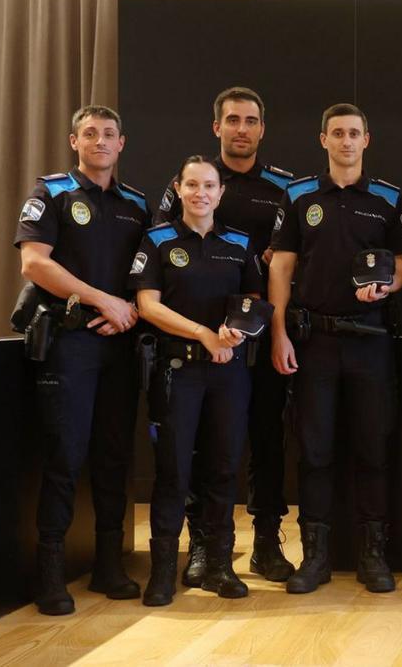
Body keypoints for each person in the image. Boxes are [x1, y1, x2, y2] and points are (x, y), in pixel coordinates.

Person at [154, 86, 296, 588]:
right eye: (232, 120)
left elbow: (286, 261)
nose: (242, 128)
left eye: (251, 121)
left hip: (254, 338)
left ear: (262, 129)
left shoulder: (283, 188)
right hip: (195, 346)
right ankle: (204, 550)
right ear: (217, 127)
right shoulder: (190, 181)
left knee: (265, 439)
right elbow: (160, 250)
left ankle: (264, 542)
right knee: (197, 449)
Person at [269, 103, 402, 594]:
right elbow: (281, 267)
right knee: (315, 452)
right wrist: (279, 332)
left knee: (374, 450)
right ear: (323, 139)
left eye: (354, 133)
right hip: (315, 343)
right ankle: (316, 558)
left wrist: (388, 287)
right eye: (337, 133)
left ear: (367, 140)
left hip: (371, 341)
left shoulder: (389, 198)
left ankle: (374, 556)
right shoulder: (298, 195)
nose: (346, 141)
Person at [14, 105, 149, 615]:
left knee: (115, 458)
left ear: (122, 143)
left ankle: (109, 566)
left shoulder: (136, 204)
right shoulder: (51, 192)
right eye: (89, 134)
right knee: (65, 457)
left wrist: (126, 310)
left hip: (120, 343)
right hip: (70, 344)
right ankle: (51, 573)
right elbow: (34, 263)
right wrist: (101, 299)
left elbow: (148, 275)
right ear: (74, 142)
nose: (99, 141)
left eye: (108, 134)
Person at [132, 156, 262, 606]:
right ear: (179, 188)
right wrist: (203, 333)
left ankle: (220, 567)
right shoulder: (158, 240)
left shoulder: (239, 243)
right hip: (179, 371)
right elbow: (147, 305)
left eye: (209, 185)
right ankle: (163, 572)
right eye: (192, 185)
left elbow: (253, 302)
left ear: (220, 193)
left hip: (228, 372)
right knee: (173, 471)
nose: (201, 193)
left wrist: (235, 329)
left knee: (223, 468)